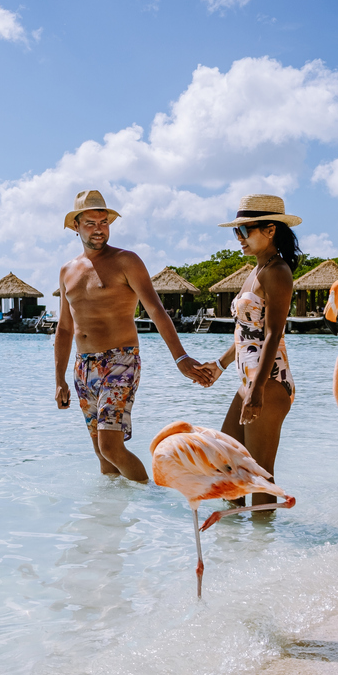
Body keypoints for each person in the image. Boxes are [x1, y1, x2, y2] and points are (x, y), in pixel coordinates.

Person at [55, 190, 214, 481]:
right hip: (83, 367)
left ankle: (153, 501)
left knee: (111, 448)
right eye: (90, 223)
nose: (99, 228)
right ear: (75, 226)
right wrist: (59, 380)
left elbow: (155, 310)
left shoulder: (126, 260)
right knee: (101, 454)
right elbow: (65, 328)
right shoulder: (67, 271)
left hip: (121, 360)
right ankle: (110, 519)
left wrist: (180, 357)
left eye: (104, 222)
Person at [201, 194, 301, 509]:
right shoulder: (256, 270)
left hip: (268, 383)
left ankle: (262, 550)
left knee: (260, 477)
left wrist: (256, 388)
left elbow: (273, 333)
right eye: (236, 232)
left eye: (245, 231)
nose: (239, 239)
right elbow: (248, 334)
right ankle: (235, 549)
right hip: (250, 382)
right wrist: (219, 364)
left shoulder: (277, 271)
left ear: (270, 230)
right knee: (227, 465)